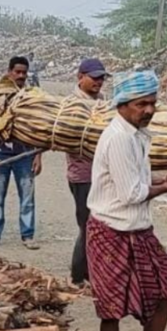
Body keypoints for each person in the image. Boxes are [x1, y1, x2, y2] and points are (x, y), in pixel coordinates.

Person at [87, 70, 167, 331]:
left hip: (138, 229)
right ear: (123, 104)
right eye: (142, 104)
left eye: (152, 103)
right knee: (110, 308)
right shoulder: (118, 138)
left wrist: (160, 178)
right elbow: (131, 193)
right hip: (110, 230)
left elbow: (135, 180)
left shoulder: (136, 135)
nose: (148, 110)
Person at [0, 57, 42, 250]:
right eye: (17, 72)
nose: (20, 76)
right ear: (9, 72)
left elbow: (38, 127)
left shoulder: (30, 97)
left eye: (23, 73)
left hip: (24, 154)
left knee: (27, 197)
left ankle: (28, 235)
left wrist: (38, 155)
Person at [68, 58, 110, 289]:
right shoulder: (72, 104)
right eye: (94, 77)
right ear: (80, 77)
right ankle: (78, 276)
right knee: (87, 225)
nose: (99, 82)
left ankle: (90, 273)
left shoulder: (103, 101)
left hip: (102, 173)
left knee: (99, 223)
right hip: (82, 174)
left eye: (102, 78)